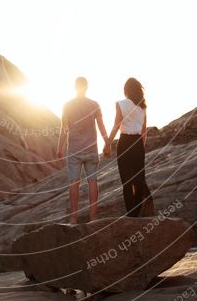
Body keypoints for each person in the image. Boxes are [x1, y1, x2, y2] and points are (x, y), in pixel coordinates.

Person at [56, 77, 109, 225]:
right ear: (87, 87)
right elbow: (101, 125)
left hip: (74, 150)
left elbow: (64, 129)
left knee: (74, 183)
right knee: (93, 181)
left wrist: (59, 148)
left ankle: (73, 218)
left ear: (75, 87)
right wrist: (107, 143)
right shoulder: (94, 105)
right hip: (91, 149)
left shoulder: (67, 105)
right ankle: (93, 217)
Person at [104, 77, 151, 217]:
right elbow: (144, 131)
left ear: (126, 90)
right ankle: (135, 214)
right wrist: (141, 148)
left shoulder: (120, 104)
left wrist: (107, 144)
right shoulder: (143, 107)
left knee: (126, 181)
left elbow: (116, 125)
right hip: (137, 143)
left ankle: (130, 214)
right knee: (138, 181)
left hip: (125, 143)